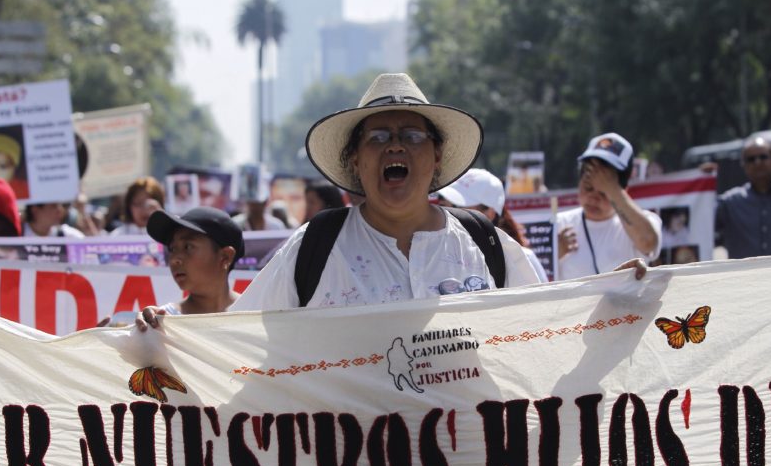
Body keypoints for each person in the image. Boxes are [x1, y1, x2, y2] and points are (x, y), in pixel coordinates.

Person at [228, 72, 542, 313]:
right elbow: (236, 341)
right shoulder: (313, 248)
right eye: (377, 137)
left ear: (436, 155)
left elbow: (542, 336)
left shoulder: (485, 245)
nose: (395, 145)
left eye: (412, 135)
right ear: (356, 158)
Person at [553, 132, 662, 280]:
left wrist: (612, 189)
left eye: (603, 192)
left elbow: (648, 242)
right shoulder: (557, 223)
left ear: (622, 190)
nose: (593, 198)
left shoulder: (645, 220)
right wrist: (553, 254)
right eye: (588, 188)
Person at [129, 206, 243, 329]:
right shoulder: (162, 323)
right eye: (172, 249)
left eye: (188, 247)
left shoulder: (259, 314)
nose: (174, 260)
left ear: (225, 257)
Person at [438, 167, 548, 281]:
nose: (447, 212)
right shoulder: (437, 256)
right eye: (444, 205)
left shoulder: (522, 259)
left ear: (489, 214)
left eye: (456, 206)